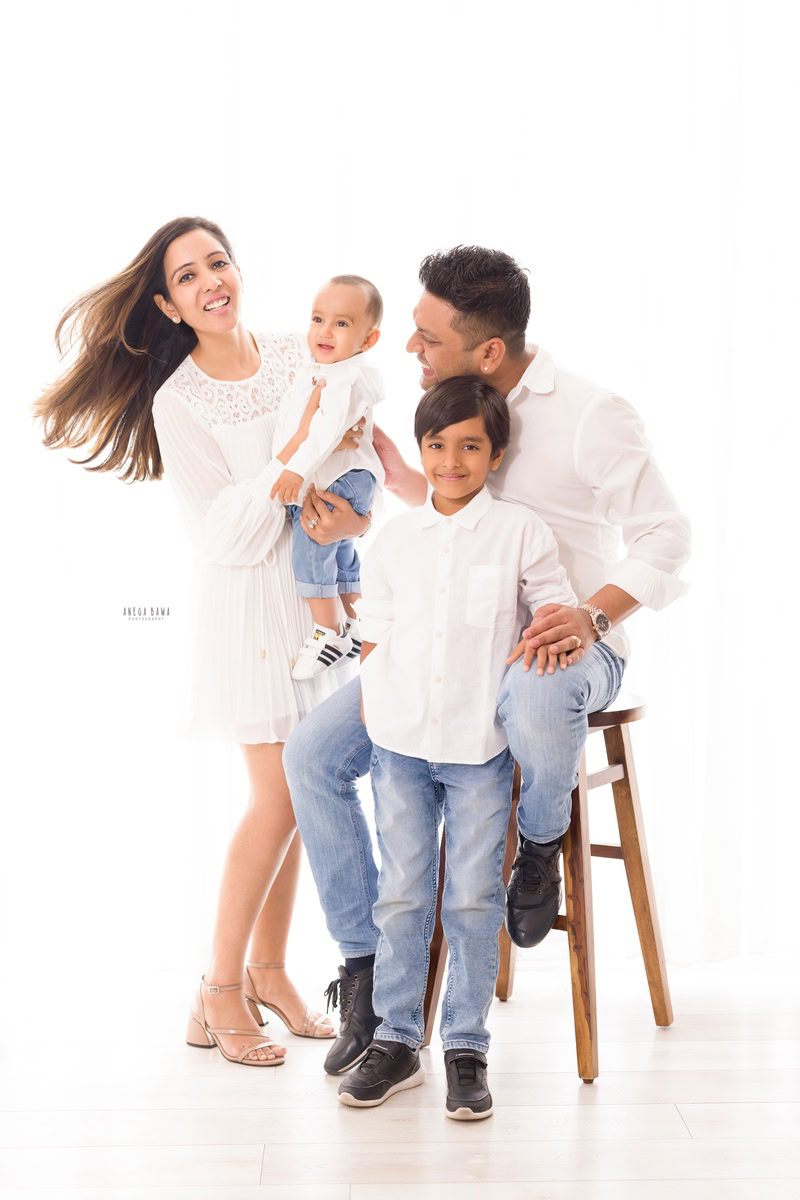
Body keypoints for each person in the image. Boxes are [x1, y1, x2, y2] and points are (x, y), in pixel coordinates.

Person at [284, 244, 691, 1076]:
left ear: (490, 351)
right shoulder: (452, 406)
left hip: (565, 639)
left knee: (538, 699)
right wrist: (384, 498)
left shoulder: (591, 414)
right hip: (443, 649)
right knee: (312, 754)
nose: (409, 348)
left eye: (427, 334)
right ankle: (368, 967)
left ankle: (539, 845)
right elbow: (450, 521)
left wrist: (589, 612)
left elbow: (668, 536)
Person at [34, 216, 372, 1066]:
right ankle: (219, 989)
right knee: (285, 797)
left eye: (216, 262)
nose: (209, 281)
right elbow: (220, 534)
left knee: (305, 794)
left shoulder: (304, 351)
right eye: (187, 277)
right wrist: (292, 465)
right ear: (167, 303)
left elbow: (354, 442)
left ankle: (267, 970)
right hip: (252, 608)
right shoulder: (178, 399)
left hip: (317, 596)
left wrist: (340, 498)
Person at [336, 376, 578, 1119]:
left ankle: (466, 1046)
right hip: (401, 745)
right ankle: (398, 1038)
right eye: (436, 445)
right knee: (403, 894)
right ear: (421, 450)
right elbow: (369, 628)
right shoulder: (396, 538)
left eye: (470, 445)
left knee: (472, 899)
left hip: (479, 748)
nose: (450, 460)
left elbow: (553, 606)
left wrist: (562, 639)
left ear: (494, 453)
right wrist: (338, 673)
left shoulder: (520, 532)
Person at [269, 275, 385, 680]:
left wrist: (294, 469)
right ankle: (358, 622)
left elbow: (326, 430)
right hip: (350, 476)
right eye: (318, 319)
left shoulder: (345, 378)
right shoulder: (323, 371)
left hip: (345, 476)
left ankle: (328, 632)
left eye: (341, 323)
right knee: (339, 549)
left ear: (368, 340)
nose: (324, 331)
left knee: (313, 537)